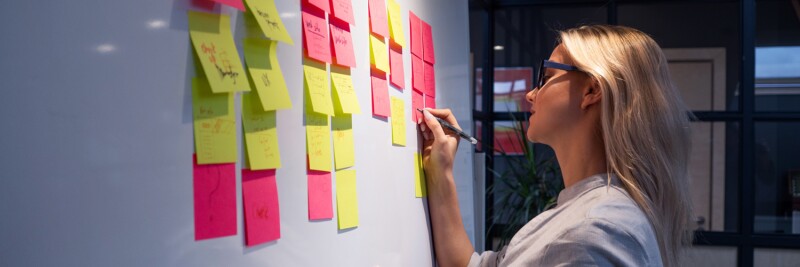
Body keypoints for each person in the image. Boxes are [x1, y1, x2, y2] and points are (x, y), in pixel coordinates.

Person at [418, 25, 694, 267]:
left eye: (547, 77)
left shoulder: (594, 230)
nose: (531, 94)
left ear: (591, 90)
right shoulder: (587, 214)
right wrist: (441, 172)